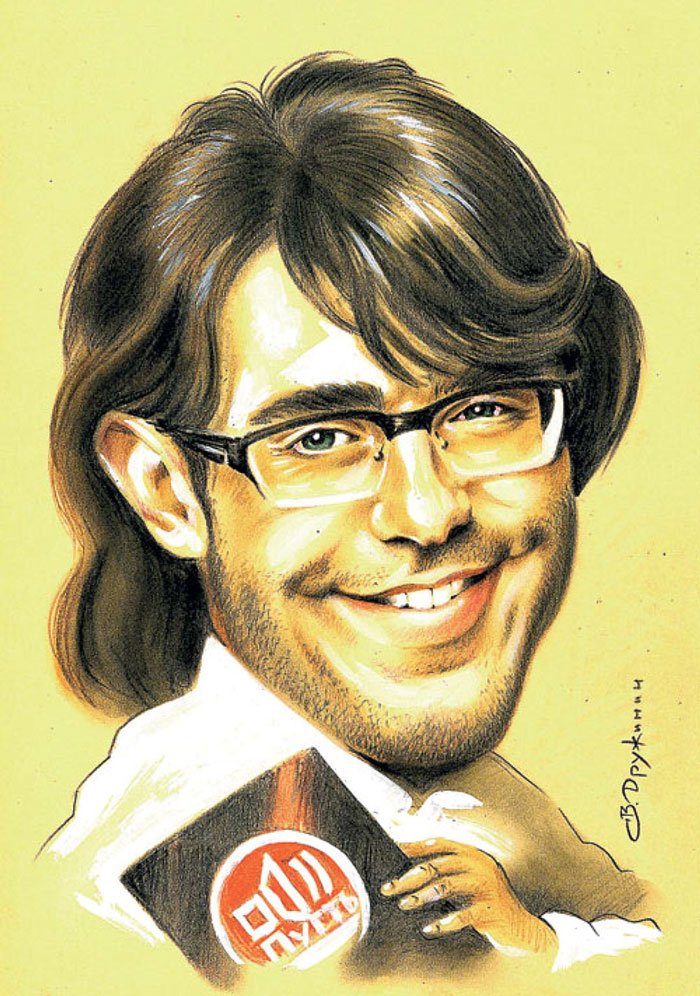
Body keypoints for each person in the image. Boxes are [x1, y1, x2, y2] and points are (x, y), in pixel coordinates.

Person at [42, 53, 660, 981]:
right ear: (165, 490)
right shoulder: (172, 878)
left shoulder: (491, 813)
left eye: (484, 408)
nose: (427, 511)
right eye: (322, 436)